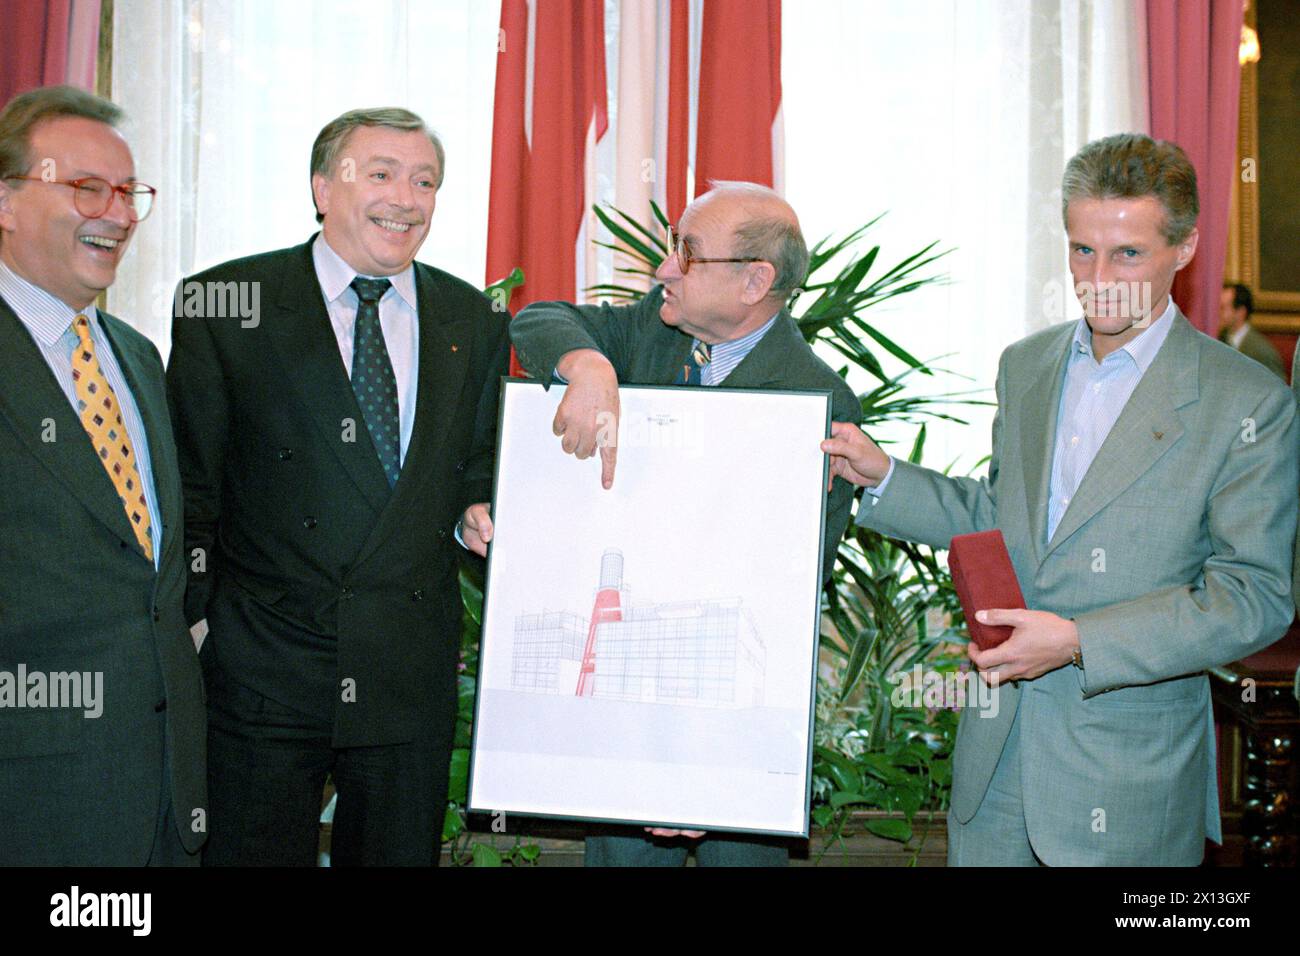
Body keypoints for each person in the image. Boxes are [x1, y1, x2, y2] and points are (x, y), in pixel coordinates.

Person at [821, 133, 1299, 866]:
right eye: (1081, 250)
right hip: (995, 765)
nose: (1098, 278)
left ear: (1187, 247)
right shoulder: (1027, 365)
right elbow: (999, 521)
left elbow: (1253, 595)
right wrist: (882, 474)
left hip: (1129, 784)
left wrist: (1080, 641)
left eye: (1128, 254)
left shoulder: (1247, 400)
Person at [166, 107, 509, 866]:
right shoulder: (227, 303)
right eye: (380, 174)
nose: (406, 198)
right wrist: (199, 630)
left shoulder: (473, 316)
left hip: (405, 669)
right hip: (261, 670)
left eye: (425, 181)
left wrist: (473, 515)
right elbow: (189, 489)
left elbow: (476, 463)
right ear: (323, 187)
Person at [510, 180, 861, 867]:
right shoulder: (649, 327)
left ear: (755, 280)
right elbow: (536, 319)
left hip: (735, 722)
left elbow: (791, 590)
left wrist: (698, 771)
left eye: (688, 254)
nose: (664, 268)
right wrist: (587, 366)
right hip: (623, 704)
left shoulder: (819, 403)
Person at [0, 86, 206, 865]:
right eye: (87, 187)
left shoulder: (137, 358)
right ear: (7, 201)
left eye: (128, 192)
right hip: (31, 804)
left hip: (162, 791)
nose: (117, 213)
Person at [1218, 282, 1284, 379]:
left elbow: (1279, 390)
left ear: (1240, 312)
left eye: (1223, 308)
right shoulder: (1220, 340)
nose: (1218, 313)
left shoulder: (1261, 350)